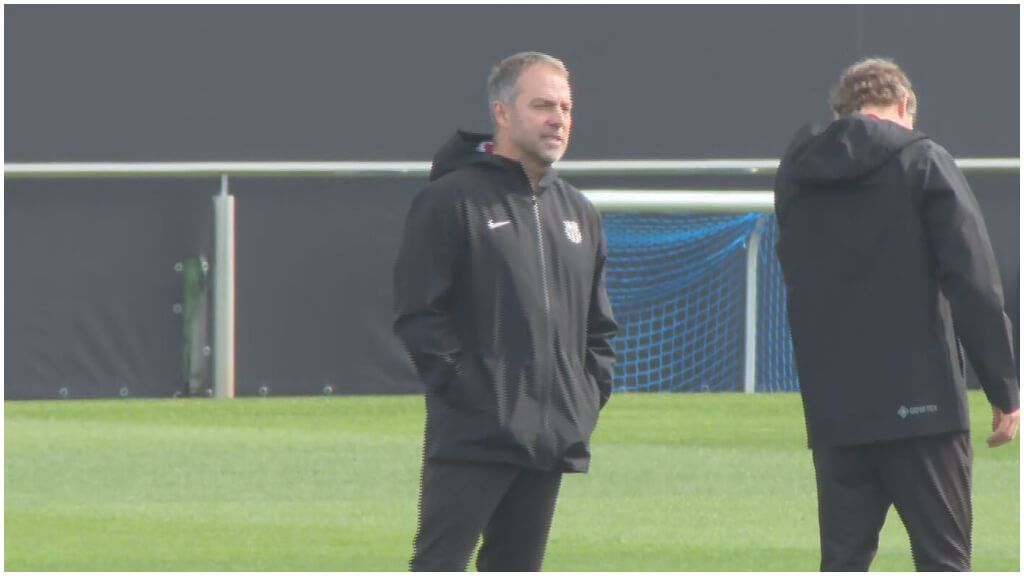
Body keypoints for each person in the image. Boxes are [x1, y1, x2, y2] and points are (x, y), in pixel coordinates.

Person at [773, 57, 1019, 571]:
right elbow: (973, 281)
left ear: (842, 110)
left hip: (836, 409)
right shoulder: (922, 158)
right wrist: (1004, 389)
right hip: (921, 405)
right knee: (943, 562)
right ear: (904, 106)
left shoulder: (798, 173)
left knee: (842, 563)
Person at [393, 51, 617, 572]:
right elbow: (418, 314)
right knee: (439, 565)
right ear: (502, 113)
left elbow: (598, 327)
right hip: (475, 433)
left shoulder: (578, 212)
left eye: (565, 107)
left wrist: (583, 398)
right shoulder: (451, 200)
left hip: (550, 435)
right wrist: (476, 395)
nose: (558, 119)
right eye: (542, 105)